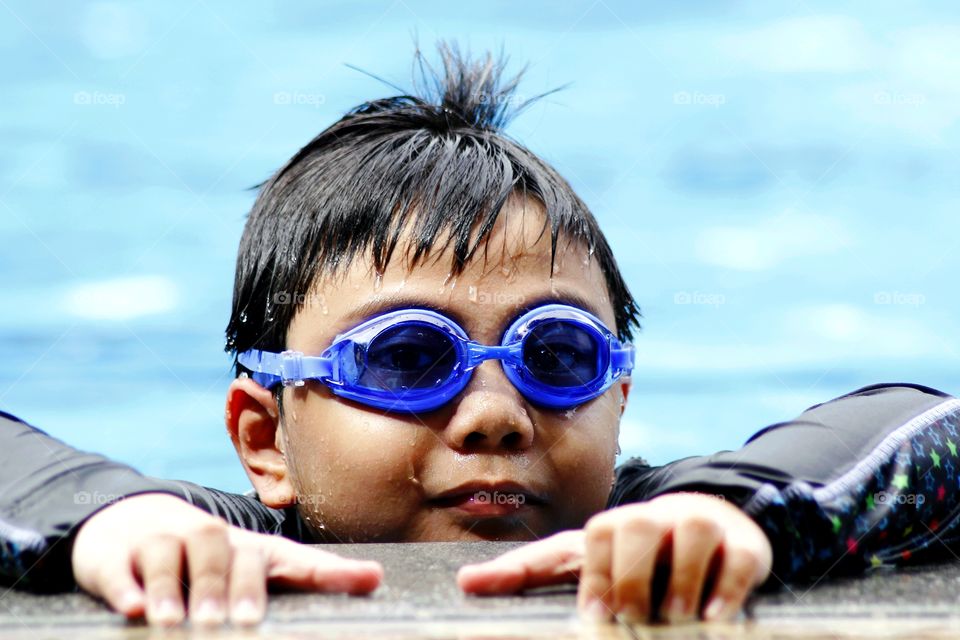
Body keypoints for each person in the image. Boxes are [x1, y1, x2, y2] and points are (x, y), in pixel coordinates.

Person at [3, 43, 960, 628]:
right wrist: (102, 521)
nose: (498, 417)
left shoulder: (659, 516)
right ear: (265, 441)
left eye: (557, 357)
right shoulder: (217, 541)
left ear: (617, 405)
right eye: (407, 359)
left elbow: (927, 422)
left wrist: (743, 514)